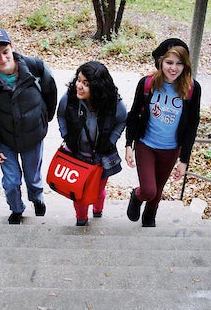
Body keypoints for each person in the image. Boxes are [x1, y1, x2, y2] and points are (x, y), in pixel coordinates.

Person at [0, 27, 57, 224]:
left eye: (5, 52)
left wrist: (42, 120)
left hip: (32, 136)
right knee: (11, 182)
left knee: (33, 178)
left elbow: (50, 94)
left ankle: (36, 198)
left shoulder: (35, 67)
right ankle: (16, 209)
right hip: (5, 139)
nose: (3, 59)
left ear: (12, 47)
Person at [125, 38, 201, 227]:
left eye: (179, 63)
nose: (173, 68)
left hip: (171, 148)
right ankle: (136, 196)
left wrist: (184, 160)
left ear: (185, 65)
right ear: (160, 62)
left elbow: (192, 125)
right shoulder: (147, 83)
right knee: (149, 190)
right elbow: (134, 114)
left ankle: (150, 214)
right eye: (169, 62)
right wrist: (128, 144)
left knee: (158, 189)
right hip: (146, 144)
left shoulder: (192, 88)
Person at [57, 61, 127, 226]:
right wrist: (65, 135)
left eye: (86, 84)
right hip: (77, 155)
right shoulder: (70, 98)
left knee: (97, 191)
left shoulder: (113, 104)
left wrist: (112, 140)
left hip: (101, 157)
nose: (79, 86)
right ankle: (81, 220)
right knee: (79, 192)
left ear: (98, 88)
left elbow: (122, 120)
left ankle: (98, 209)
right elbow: (61, 115)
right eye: (79, 80)